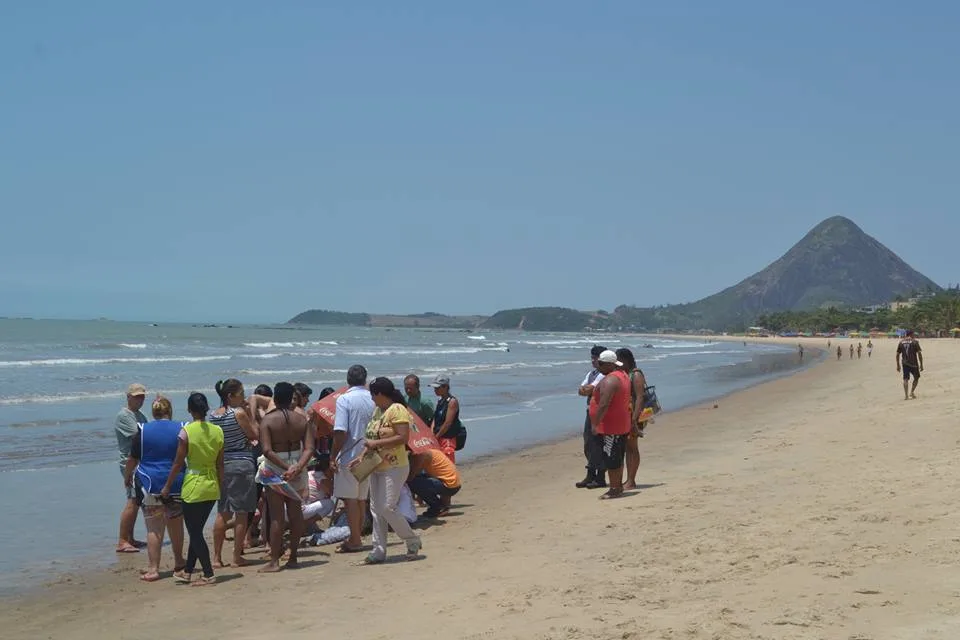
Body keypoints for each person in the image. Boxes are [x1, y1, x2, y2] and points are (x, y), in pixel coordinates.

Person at [351, 377, 421, 564]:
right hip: (376, 465)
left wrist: (377, 443)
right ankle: (378, 550)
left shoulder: (397, 410)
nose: (372, 399)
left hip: (395, 466)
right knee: (375, 509)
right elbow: (370, 437)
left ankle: (411, 539)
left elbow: (403, 437)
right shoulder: (377, 412)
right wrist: (361, 456)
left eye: (373, 395)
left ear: (380, 394)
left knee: (387, 507)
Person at [161, 392, 224, 586]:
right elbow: (220, 464)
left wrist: (167, 486)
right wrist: (222, 486)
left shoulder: (187, 431)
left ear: (189, 410)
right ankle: (187, 571)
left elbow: (178, 463)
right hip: (212, 484)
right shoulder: (217, 431)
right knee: (196, 529)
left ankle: (208, 573)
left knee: (195, 532)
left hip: (194, 484)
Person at [123, 395, 186, 582]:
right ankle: (179, 562)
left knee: (153, 527)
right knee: (176, 523)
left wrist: (127, 477)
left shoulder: (142, 430)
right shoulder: (182, 428)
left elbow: (132, 459)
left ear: (154, 412)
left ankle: (153, 568)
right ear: (169, 410)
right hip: (175, 482)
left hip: (149, 482)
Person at [258, 381, 316, 572]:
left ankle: (274, 560)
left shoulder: (268, 420)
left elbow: (266, 450)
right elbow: (309, 448)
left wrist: (285, 467)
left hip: (276, 469)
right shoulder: (302, 420)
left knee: (277, 516)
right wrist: (297, 467)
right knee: (296, 512)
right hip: (298, 465)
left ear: (275, 398)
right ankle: (293, 557)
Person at [209, 379, 259, 568]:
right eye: (241, 394)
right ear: (231, 396)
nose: (243, 397)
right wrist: (250, 414)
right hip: (241, 464)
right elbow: (254, 434)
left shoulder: (213, 416)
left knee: (223, 512)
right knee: (242, 513)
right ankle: (237, 557)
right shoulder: (238, 413)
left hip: (222, 464)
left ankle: (216, 557)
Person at [330, 365, 375, 554]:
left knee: (350, 500)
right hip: (369, 453)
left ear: (348, 380)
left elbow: (341, 431)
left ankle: (355, 539)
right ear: (364, 380)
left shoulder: (344, 400)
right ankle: (357, 535)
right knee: (361, 499)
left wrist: (332, 456)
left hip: (349, 455)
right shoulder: (373, 399)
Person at [589, 350, 632, 500]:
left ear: (608, 364)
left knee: (611, 456)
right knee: (617, 455)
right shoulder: (623, 375)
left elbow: (604, 404)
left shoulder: (611, 380)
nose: (598, 366)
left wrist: (595, 424)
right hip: (621, 423)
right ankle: (617, 485)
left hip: (611, 426)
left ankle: (614, 488)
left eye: (600, 363)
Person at [116, 383, 148, 553]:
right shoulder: (124, 415)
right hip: (130, 463)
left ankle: (130, 538)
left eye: (142, 396)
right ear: (128, 397)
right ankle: (122, 540)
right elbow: (140, 435)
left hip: (140, 462)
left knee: (137, 501)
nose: (140, 400)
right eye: (136, 396)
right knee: (132, 501)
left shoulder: (140, 415)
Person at [615, 347, 647, 491]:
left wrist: (634, 419)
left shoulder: (636, 374)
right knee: (627, 447)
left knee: (632, 448)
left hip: (633, 416)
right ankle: (628, 479)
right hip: (625, 416)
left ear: (625, 360)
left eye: (619, 360)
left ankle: (631, 480)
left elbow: (640, 397)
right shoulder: (625, 373)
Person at [576, 346, 607, 489]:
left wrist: (587, 390)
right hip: (590, 411)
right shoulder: (592, 373)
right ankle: (590, 474)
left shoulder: (603, 374)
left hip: (600, 412)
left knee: (598, 444)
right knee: (588, 443)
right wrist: (587, 390)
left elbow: (589, 389)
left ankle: (599, 476)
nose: (593, 360)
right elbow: (581, 390)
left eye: (596, 358)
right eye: (592, 358)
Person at [408, 447, 461, 518]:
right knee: (418, 479)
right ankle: (442, 506)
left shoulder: (421, 455)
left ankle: (437, 507)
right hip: (453, 483)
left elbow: (411, 476)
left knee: (413, 482)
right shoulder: (431, 451)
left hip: (449, 485)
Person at [430, 375, 462, 463]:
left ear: (446, 387)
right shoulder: (440, 401)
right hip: (439, 437)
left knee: (448, 463)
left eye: (437, 388)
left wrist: (436, 436)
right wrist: (431, 432)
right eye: (435, 388)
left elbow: (448, 423)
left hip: (447, 439)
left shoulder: (452, 402)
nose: (435, 390)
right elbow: (435, 418)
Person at [896, 330, 924, 400]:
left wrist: (898, 365)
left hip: (904, 363)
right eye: (913, 334)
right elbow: (919, 354)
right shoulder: (915, 342)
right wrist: (921, 364)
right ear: (911, 334)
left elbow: (897, 354)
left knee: (905, 379)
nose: (914, 335)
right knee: (916, 378)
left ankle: (906, 396)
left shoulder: (901, 342)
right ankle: (911, 392)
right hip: (914, 363)